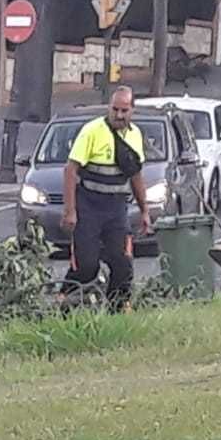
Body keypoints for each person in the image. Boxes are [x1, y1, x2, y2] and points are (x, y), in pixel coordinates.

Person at [62, 86, 153, 310]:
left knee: (122, 263)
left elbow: (135, 175)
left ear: (132, 110)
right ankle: (66, 300)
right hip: (89, 206)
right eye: (115, 110)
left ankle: (117, 309)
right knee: (87, 264)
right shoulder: (92, 131)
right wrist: (70, 211)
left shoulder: (135, 135)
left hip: (116, 209)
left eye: (124, 111)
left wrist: (144, 211)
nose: (119, 115)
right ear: (108, 108)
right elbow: (70, 170)